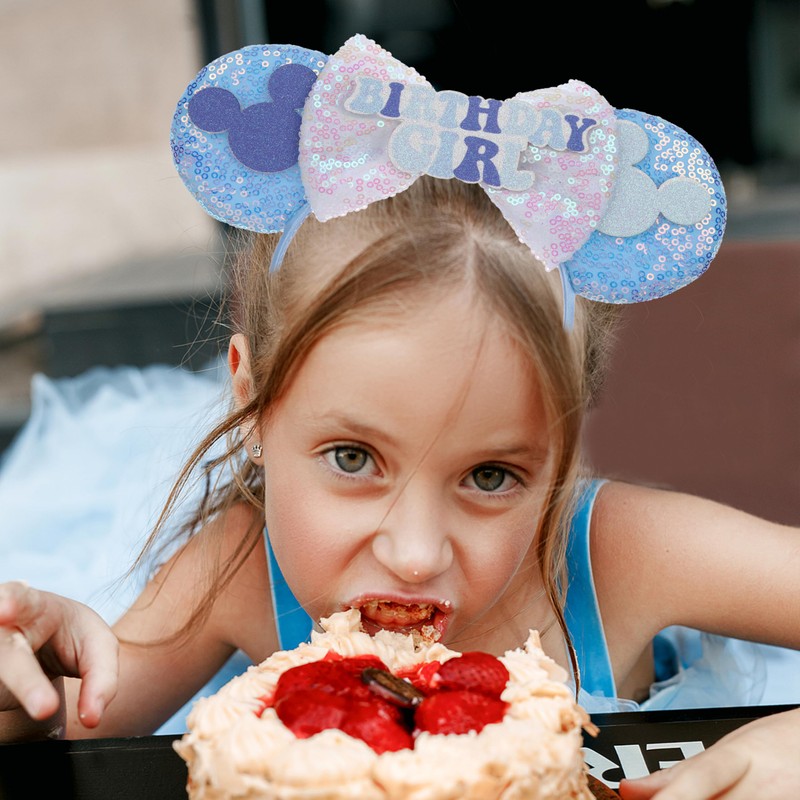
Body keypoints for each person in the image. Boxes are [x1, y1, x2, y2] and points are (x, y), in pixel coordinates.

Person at [1, 34, 799, 799]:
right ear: (249, 403)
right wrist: (32, 679)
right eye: (352, 458)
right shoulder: (239, 573)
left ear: (561, 451)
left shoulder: (619, 556)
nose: (414, 556)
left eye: (491, 476)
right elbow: (68, 725)